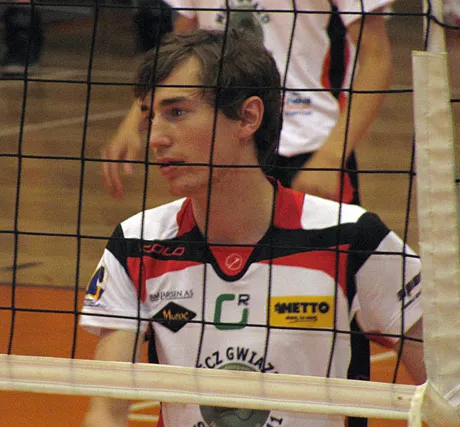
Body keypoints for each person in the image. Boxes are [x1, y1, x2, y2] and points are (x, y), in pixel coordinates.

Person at [80, 29, 425, 427]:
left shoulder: (354, 240)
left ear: (247, 117)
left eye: (177, 113)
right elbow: (105, 413)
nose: (155, 138)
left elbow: (450, 396)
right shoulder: (136, 245)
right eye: (151, 116)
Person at [102, 0, 394, 206]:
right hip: (223, 144)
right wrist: (135, 119)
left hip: (309, 149)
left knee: (322, 272)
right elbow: (181, 45)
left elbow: (377, 60)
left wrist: (331, 157)